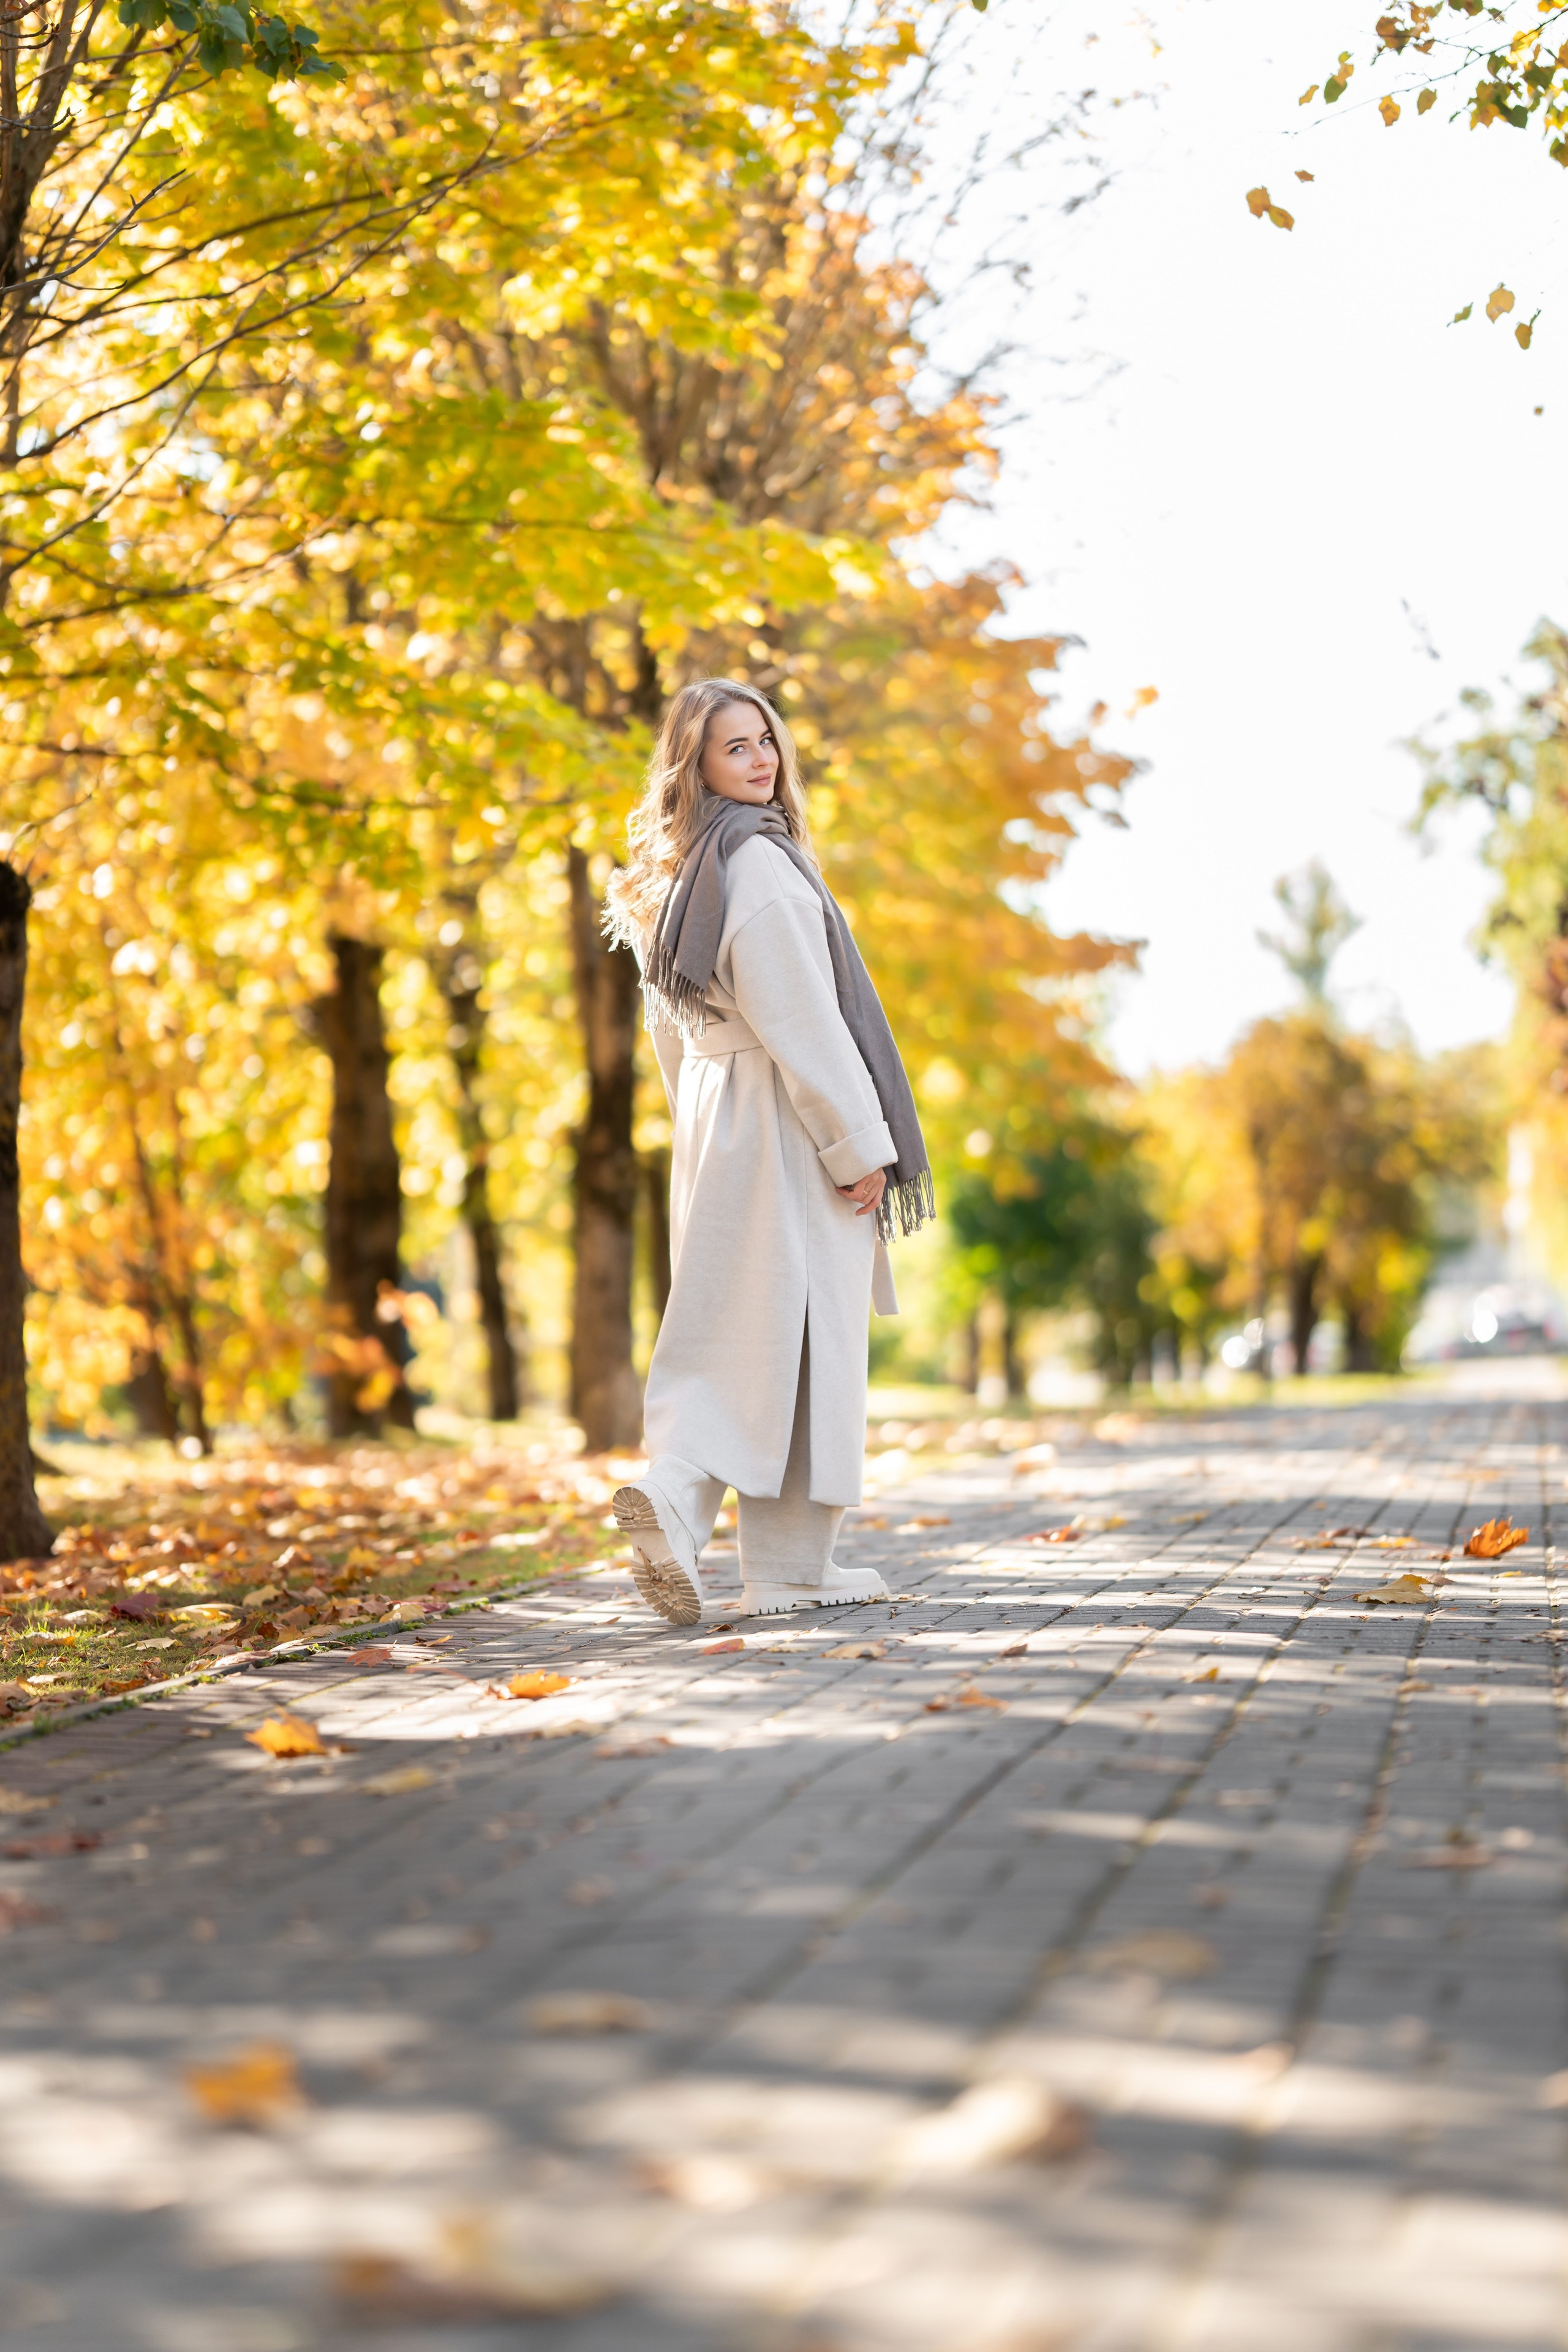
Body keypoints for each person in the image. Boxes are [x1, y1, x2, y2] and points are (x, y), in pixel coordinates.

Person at [603, 677, 934, 1625]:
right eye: (733, 749)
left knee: (762, 1332)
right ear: (695, 768)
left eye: (764, 741)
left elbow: (670, 1036)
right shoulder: (757, 867)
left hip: (722, 1118)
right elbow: (806, 1021)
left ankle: (789, 1566)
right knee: (778, 1333)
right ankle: (673, 1501)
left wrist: (707, 1131)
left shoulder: (680, 877)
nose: (760, 761)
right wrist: (855, 1143)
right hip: (786, 1117)